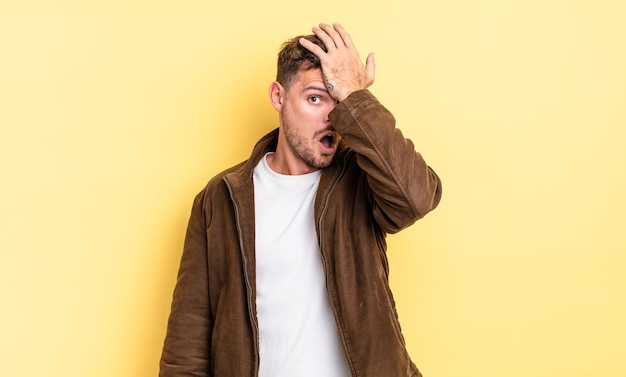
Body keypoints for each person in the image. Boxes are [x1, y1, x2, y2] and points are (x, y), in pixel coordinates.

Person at [159, 22, 442, 377]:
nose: (330, 117)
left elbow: (415, 198)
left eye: (337, 100)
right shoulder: (222, 198)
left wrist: (355, 97)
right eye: (314, 98)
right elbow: (188, 341)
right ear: (278, 97)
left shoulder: (361, 179)